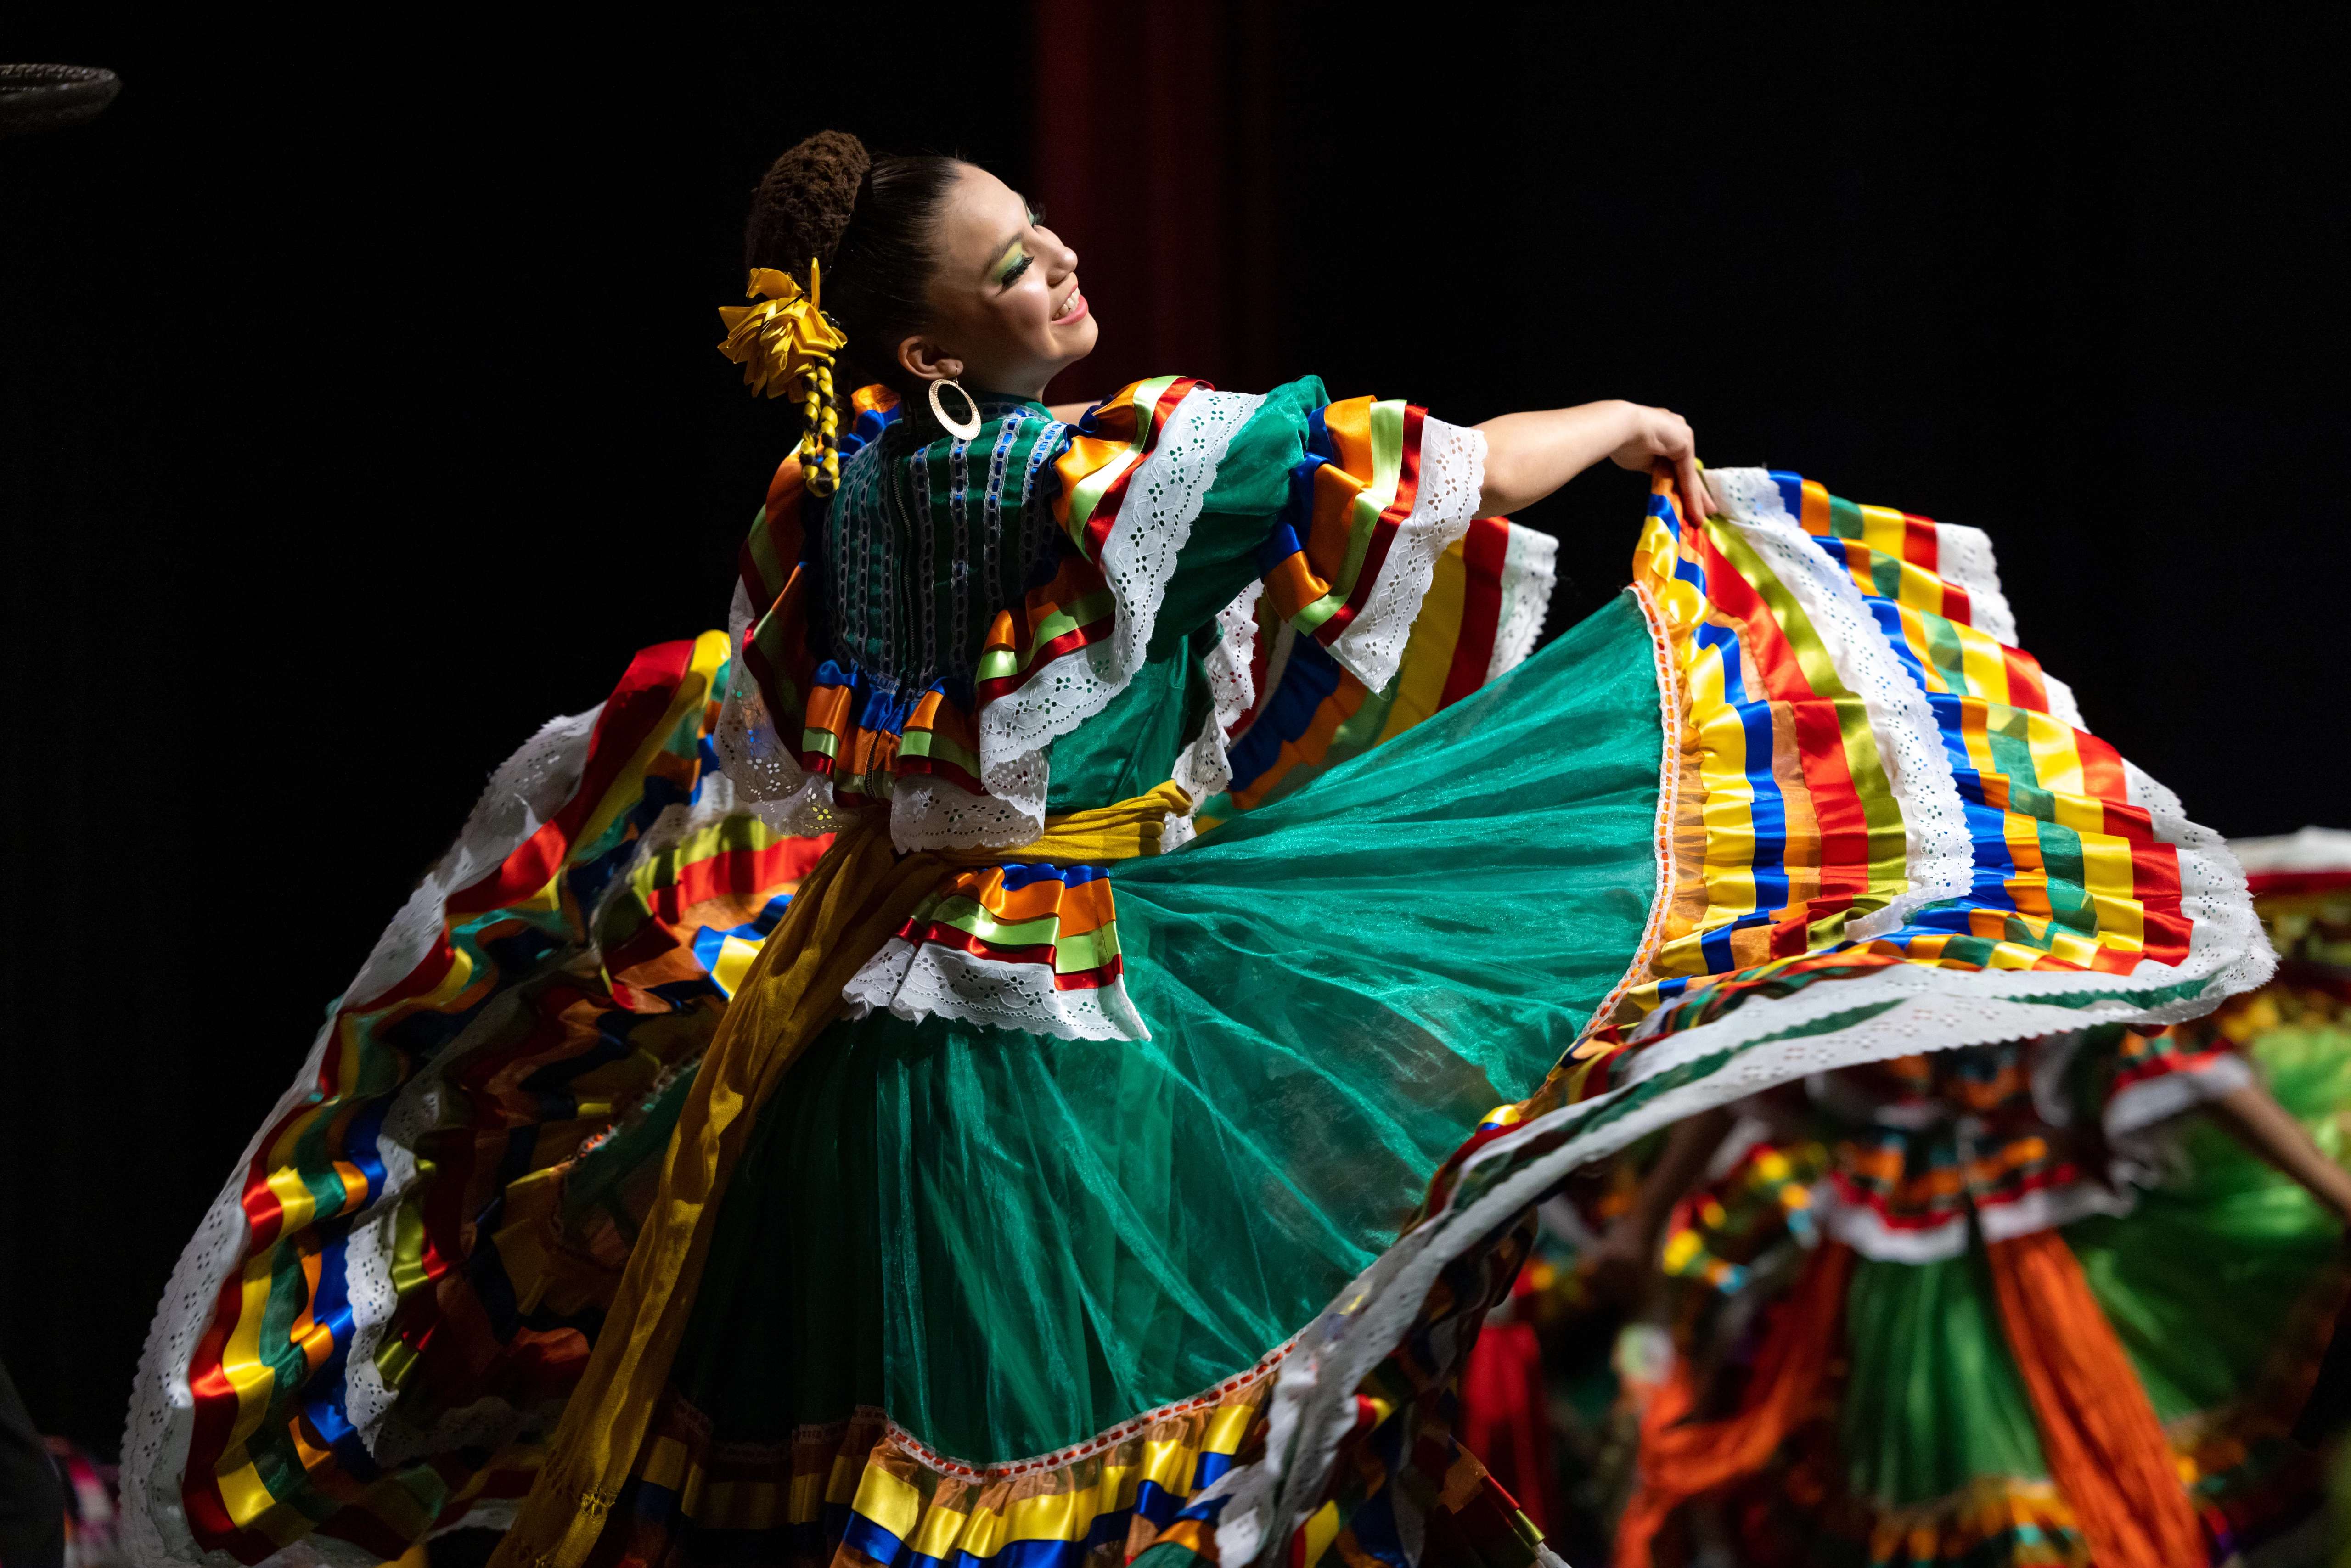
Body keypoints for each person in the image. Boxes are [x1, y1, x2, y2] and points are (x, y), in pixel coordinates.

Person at [122, 131, 2271, 1568]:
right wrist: (1615, 429)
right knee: (1094, 1417)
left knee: (873, 1453)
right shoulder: (1110, 463)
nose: (1063, 271)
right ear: (924, 336)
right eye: (1014, 266)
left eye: (1049, 240)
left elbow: (768, 750)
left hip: (843, 1034)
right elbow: (1411, 476)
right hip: (1046, 1034)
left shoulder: (814, 505)